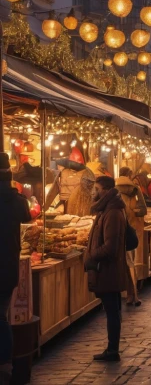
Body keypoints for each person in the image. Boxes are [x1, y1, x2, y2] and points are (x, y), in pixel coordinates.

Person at [84, 176, 128, 362]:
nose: (93, 191)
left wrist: (92, 255)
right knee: (112, 309)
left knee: (112, 310)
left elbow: (110, 247)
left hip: (108, 269)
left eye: (96, 188)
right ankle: (112, 349)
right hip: (108, 269)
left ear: (105, 190)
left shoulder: (112, 212)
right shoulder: (107, 209)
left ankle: (112, 350)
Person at [0, 153, 31, 383]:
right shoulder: (15, 198)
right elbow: (27, 216)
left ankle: (4, 364)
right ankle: (7, 364)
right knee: (2, 315)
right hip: (9, 265)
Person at [116, 168, 148, 307]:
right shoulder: (135, 190)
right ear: (129, 175)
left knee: (122, 263)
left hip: (118, 230)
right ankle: (133, 294)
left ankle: (127, 294)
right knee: (131, 263)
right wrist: (134, 211)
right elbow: (143, 210)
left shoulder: (114, 190)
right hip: (133, 230)